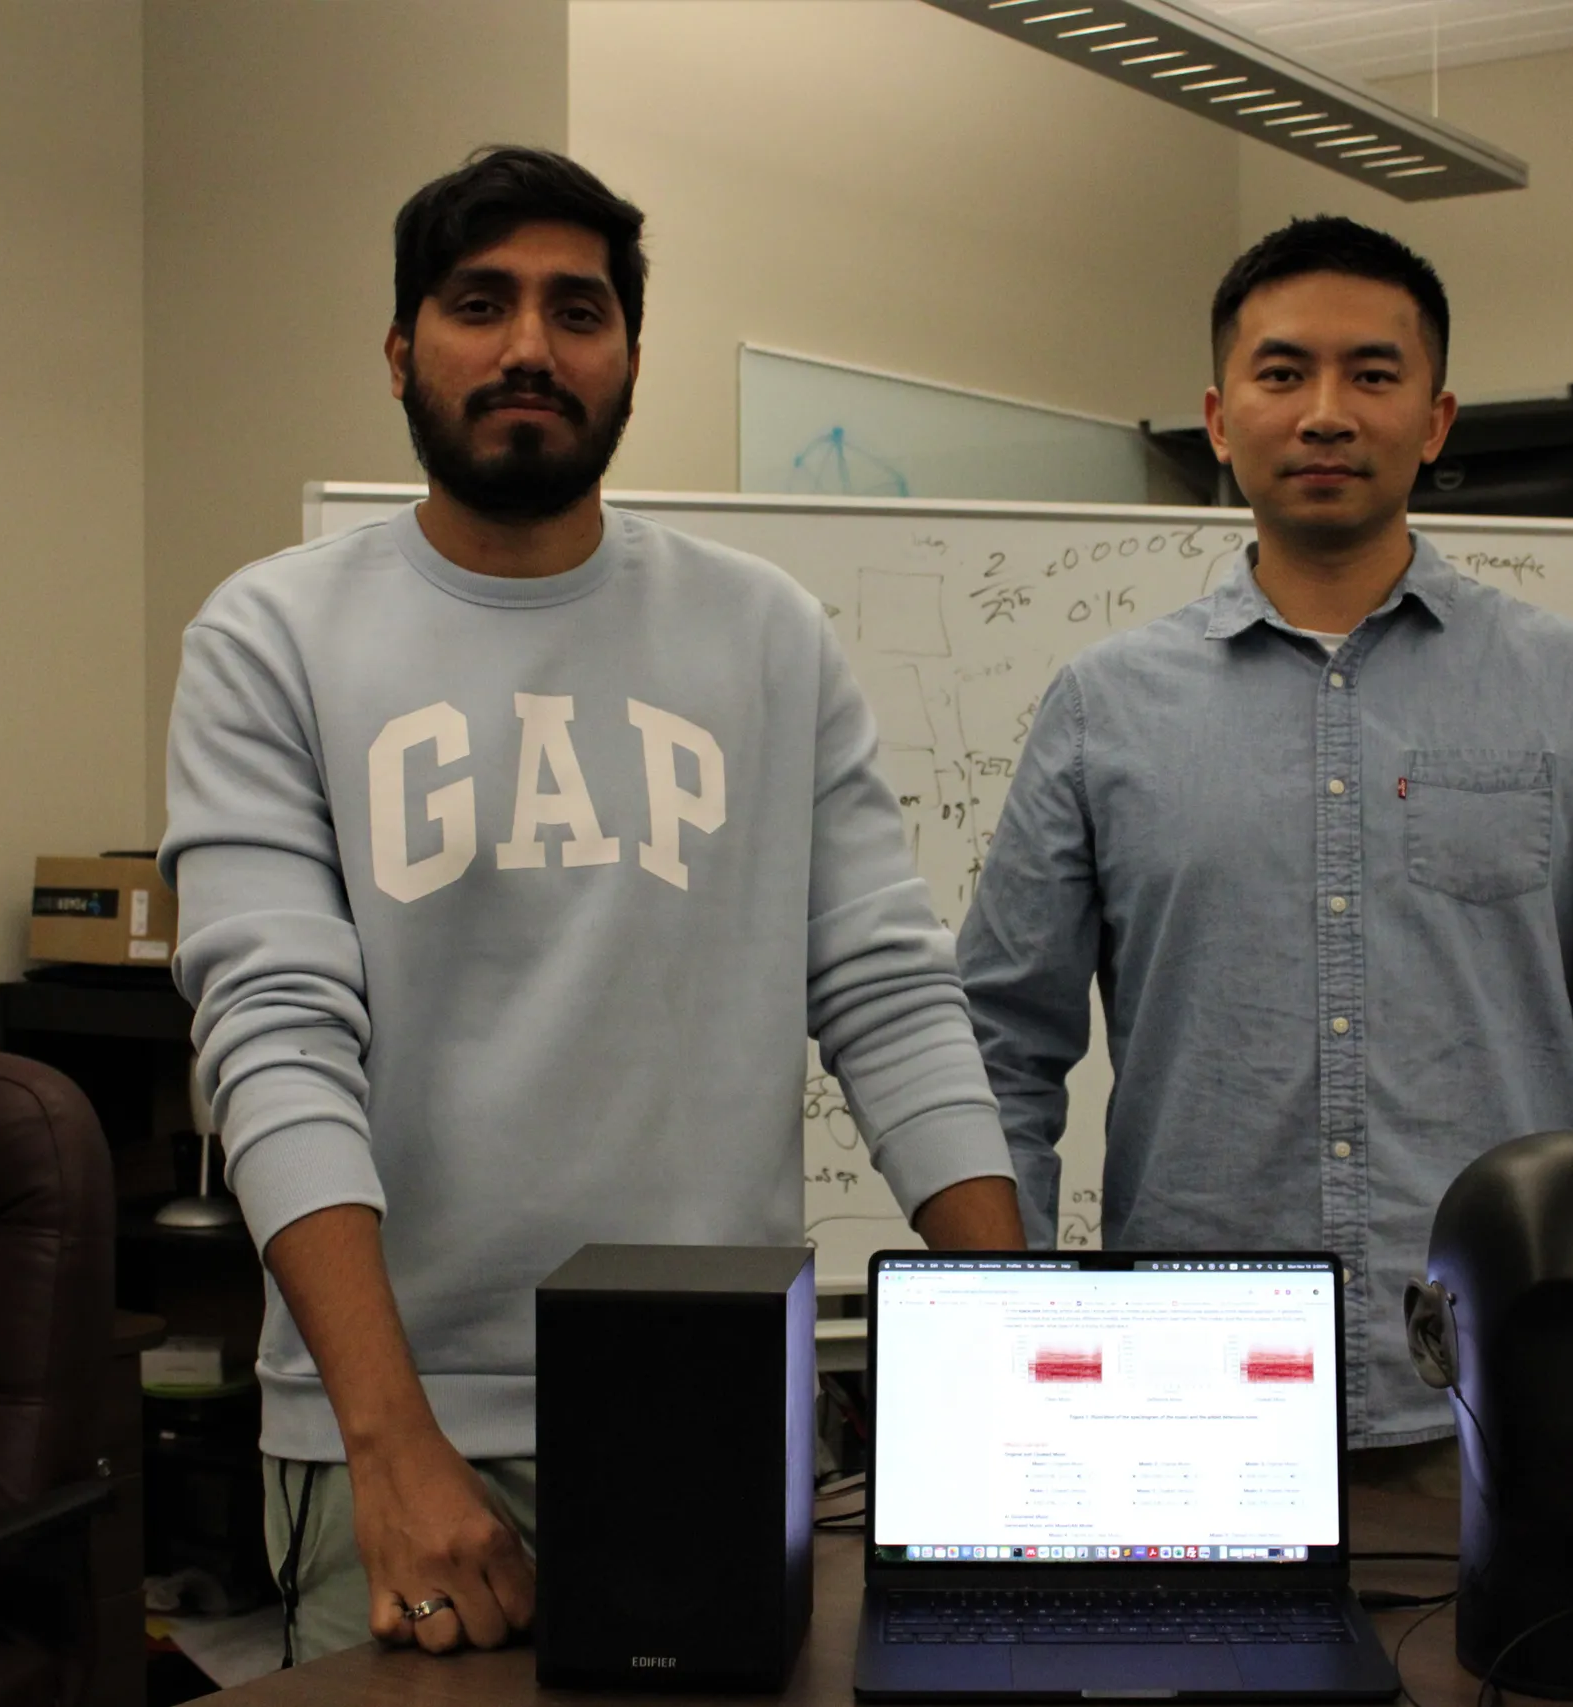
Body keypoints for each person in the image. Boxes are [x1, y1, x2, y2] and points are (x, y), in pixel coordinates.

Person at [162, 146, 1023, 1663]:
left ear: (627, 356)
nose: (527, 348)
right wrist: (391, 1441)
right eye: (479, 303)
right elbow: (273, 1040)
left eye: (579, 309)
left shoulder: (764, 632)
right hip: (401, 1425)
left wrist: (1013, 1339)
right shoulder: (272, 636)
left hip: (716, 1408)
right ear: (399, 351)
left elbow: (888, 992)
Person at [955, 216, 1573, 1479]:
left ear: (1438, 418)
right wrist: (997, 1328)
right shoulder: (1103, 707)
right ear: (1220, 414)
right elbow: (999, 1051)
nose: (1327, 413)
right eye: (1283, 372)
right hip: (1186, 1401)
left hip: (1508, 1397)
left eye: (1373, 373)